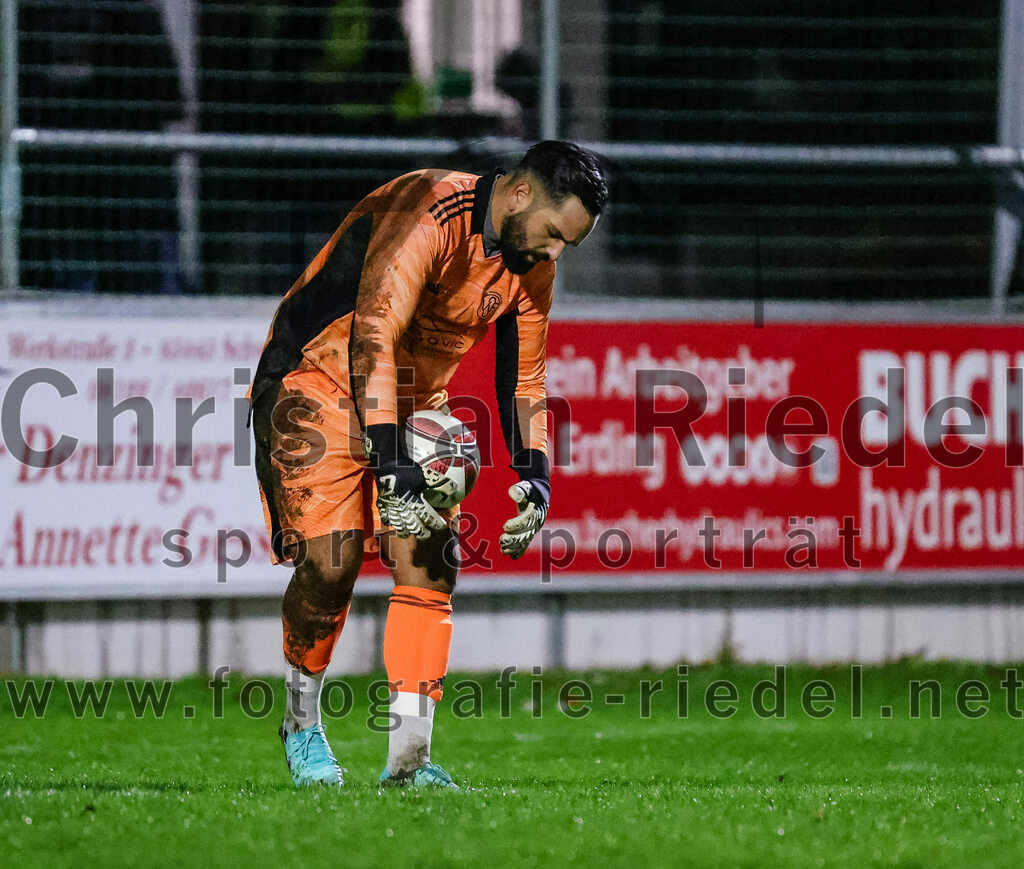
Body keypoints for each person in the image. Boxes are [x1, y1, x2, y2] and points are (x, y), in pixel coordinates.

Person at [249, 141, 608, 788]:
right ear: (520, 194)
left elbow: (523, 374)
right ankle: (301, 724)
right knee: (332, 564)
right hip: (316, 379)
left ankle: (408, 760)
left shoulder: (530, 265)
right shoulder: (430, 209)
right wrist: (391, 459)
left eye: (567, 246)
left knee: (432, 562)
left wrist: (535, 471)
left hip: (410, 402)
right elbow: (375, 331)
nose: (554, 254)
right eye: (554, 235)